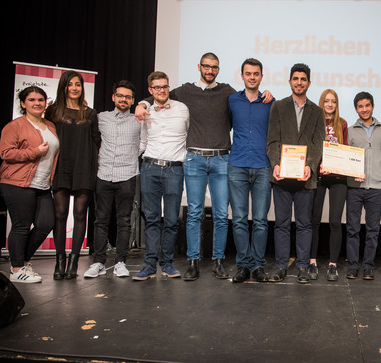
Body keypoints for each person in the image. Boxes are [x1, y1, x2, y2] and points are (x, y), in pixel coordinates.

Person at [135, 53, 272, 281]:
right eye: (206, 67)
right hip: (194, 159)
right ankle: (193, 262)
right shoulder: (185, 91)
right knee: (194, 214)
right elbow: (160, 95)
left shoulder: (228, 93)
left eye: (214, 67)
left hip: (222, 159)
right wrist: (142, 103)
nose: (210, 71)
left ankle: (218, 262)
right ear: (199, 67)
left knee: (220, 214)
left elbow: (250, 98)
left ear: (219, 69)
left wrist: (268, 93)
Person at [266, 63, 325, 284]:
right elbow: (272, 141)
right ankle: (281, 266)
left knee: (304, 224)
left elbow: (318, 143)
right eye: (295, 78)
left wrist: (310, 164)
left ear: (309, 82)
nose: (299, 82)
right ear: (289, 81)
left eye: (303, 79)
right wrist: (276, 164)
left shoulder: (317, 111)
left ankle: (301, 266)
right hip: (282, 177)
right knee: (281, 224)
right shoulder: (278, 107)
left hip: (306, 178)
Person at [132, 72, 189, 280]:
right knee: (152, 219)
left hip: (175, 169)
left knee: (172, 220)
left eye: (164, 86)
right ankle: (149, 265)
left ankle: (167, 263)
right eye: (157, 87)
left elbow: (190, 135)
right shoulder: (145, 111)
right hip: (150, 168)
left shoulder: (182, 109)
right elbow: (142, 141)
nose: (162, 90)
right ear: (150, 91)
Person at [0, 86, 59, 283]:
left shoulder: (50, 125)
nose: (37, 103)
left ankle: (22, 261)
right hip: (18, 183)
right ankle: (17, 269)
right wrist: (33, 152)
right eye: (32, 100)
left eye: (40, 100)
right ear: (23, 103)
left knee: (46, 223)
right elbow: (6, 154)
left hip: (42, 184)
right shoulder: (15, 126)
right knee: (21, 226)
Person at [45, 70, 100, 280]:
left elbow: (97, 141)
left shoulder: (90, 113)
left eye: (78, 84)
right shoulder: (53, 112)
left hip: (84, 168)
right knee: (59, 215)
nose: (74, 88)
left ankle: (74, 262)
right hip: (61, 167)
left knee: (80, 215)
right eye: (70, 84)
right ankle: (60, 261)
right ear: (64, 87)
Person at [84, 80, 140, 278]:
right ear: (113, 97)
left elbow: (145, 142)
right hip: (104, 174)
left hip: (127, 175)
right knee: (101, 221)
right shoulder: (101, 118)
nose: (123, 99)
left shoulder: (138, 120)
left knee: (124, 221)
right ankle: (98, 262)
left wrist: (133, 154)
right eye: (120, 95)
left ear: (133, 101)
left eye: (127, 97)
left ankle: (120, 262)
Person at [228, 58, 274, 283]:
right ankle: (243, 265)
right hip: (236, 165)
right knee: (238, 219)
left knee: (260, 220)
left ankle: (258, 265)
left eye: (256, 73)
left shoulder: (270, 102)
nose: (252, 77)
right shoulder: (231, 100)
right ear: (242, 75)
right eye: (248, 73)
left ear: (261, 76)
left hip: (263, 166)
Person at [346, 92, 381, 280]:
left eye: (367, 105)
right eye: (360, 106)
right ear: (356, 109)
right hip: (355, 187)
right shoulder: (350, 129)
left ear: (372, 106)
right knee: (353, 229)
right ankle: (353, 265)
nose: (364, 109)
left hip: (376, 187)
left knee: (373, 230)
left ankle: (368, 266)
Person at [309, 89, 348, 281]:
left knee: (334, 222)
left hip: (338, 179)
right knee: (314, 221)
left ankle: (333, 265)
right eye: (326, 101)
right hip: (318, 177)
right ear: (321, 103)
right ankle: (312, 262)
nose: (330, 105)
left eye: (333, 101)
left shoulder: (343, 124)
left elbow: (347, 150)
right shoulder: (315, 122)